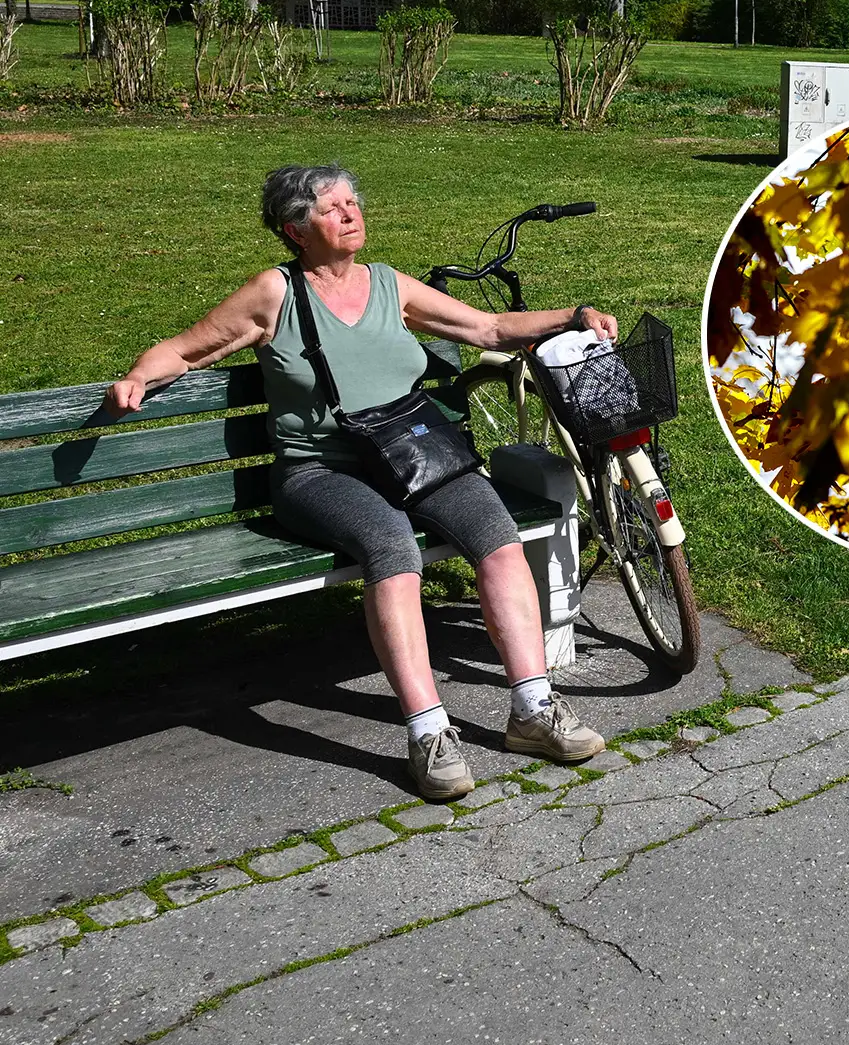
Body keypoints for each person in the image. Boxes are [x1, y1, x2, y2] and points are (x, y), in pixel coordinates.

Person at [103, 164, 609, 800]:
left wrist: (575, 314)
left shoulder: (388, 284)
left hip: (408, 451)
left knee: (498, 537)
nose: (349, 214)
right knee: (393, 550)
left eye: (351, 202)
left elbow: (484, 328)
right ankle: (429, 734)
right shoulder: (274, 293)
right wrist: (139, 378)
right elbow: (184, 349)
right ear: (294, 229)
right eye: (330, 208)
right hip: (320, 472)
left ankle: (533, 713)